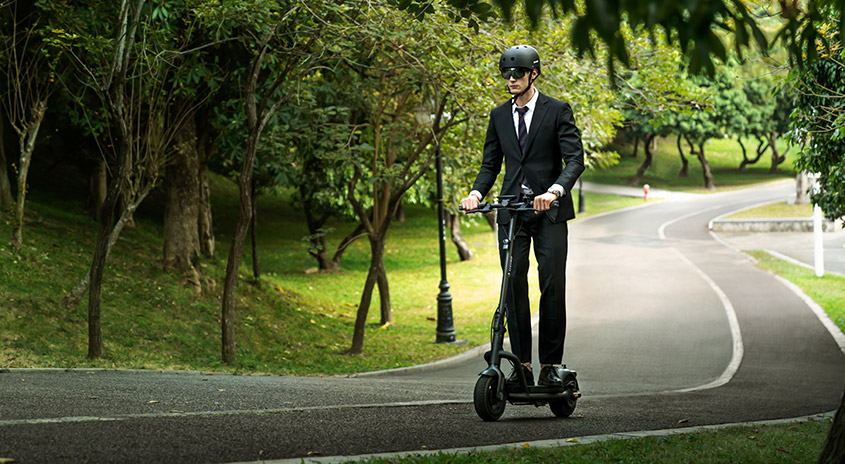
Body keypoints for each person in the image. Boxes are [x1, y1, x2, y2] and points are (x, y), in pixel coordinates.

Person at [461, 45, 584, 387]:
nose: (512, 79)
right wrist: (475, 194)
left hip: (549, 213)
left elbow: (575, 160)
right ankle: (522, 366)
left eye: (518, 73)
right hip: (512, 212)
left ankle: (550, 366)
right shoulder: (499, 116)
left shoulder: (557, 110)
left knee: (551, 285)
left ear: (534, 74)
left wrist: (554, 191)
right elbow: (490, 165)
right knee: (512, 284)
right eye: (507, 73)